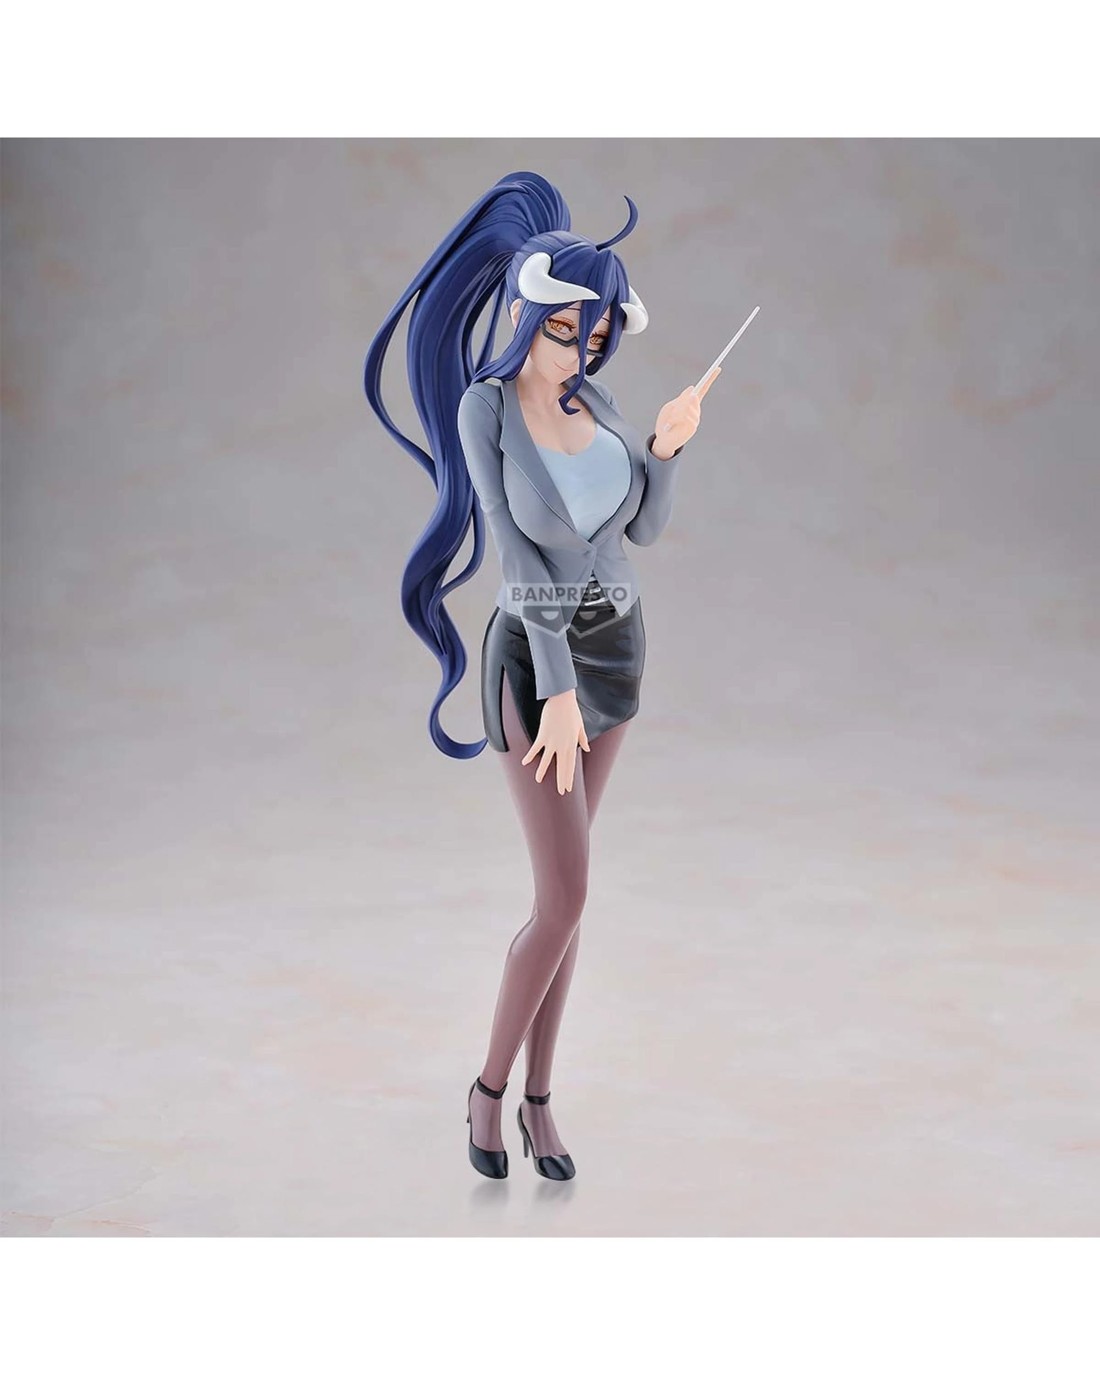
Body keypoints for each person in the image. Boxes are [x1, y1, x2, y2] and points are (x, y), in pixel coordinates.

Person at [365, 171, 716, 1181]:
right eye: (568, 329)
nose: (583, 349)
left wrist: (665, 449)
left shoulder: (595, 399)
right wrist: (555, 687)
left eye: (598, 333)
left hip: (618, 648)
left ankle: (539, 1098)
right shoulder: (485, 410)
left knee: (572, 894)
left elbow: (640, 530)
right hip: (535, 659)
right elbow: (516, 556)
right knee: (561, 897)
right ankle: (488, 1090)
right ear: (528, 314)